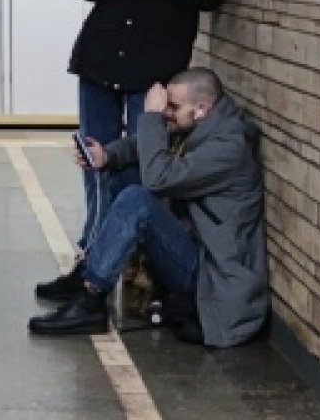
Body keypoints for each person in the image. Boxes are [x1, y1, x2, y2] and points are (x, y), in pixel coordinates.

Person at [30, 68, 268, 349]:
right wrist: (107, 155)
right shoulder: (204, 127)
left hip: (212, 277)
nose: (167, 113)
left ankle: (90, 298)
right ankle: (89, 276)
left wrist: (152, 116)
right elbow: (150, 144)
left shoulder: (227, 148)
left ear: (201, 109)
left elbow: (158, 178)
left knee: (139, 200)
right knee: (120, 174)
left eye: (174, 107)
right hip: (198, 251)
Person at [67, 0, 224, 247]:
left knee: (142, 158)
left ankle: (133, 257)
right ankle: (94, 247)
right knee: (95, 157)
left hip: (155, 65)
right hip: (101, 57)